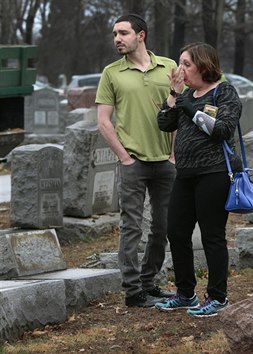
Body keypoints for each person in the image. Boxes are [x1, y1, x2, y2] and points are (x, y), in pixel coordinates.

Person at [155, 42, 242, 318]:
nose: (180, 70)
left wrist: (189, 105)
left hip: (214, 173)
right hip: (186, 174)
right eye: (179, 63)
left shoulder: (223, 91)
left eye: (186, 64)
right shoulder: (186, 94)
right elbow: (164, 123)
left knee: (211, 236)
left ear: (204, 66)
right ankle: (185, 294)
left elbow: (222, 129)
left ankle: (218, 297)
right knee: (177, 232)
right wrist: (174, 94)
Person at [95, 14, 177, 308]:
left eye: (123, 33)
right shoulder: (112, 73)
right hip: (133, 162)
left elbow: (178, 110)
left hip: (165, 162)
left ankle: (149, 283)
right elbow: (103, 121)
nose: (117, 38)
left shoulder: (169, 67)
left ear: (141, 35)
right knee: (131, 227)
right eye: (115, 33)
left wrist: (173, 153)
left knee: (163, 226)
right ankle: (132, 291)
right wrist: (124, 157)